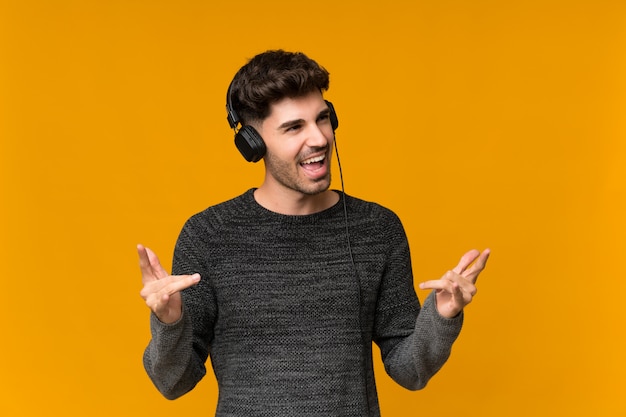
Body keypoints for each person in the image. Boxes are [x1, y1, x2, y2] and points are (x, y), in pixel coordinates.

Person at [137, 50, 490, 416]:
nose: (320, 138)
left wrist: (443, 315)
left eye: (323, 119)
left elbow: (409, 371)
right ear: (253, 143)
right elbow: (173, 383)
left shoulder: (377, 229)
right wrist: (169, 322)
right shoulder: (208, 235)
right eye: (294, 127)